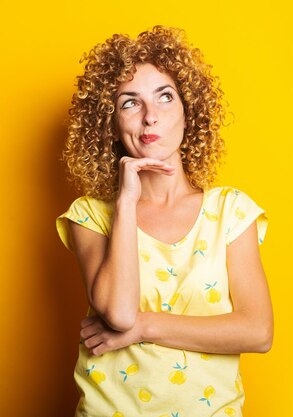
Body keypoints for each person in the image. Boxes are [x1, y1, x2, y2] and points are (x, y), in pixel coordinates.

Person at [55, 25, 273, 417]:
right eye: (129, 103)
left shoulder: (230, 212)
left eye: (165, 97)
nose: (150, 117)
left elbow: (258, 332)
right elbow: (118, 313)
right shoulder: (89, 216)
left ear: (190, 115)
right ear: (111, 126)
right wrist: (126, 202)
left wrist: (144, 327)